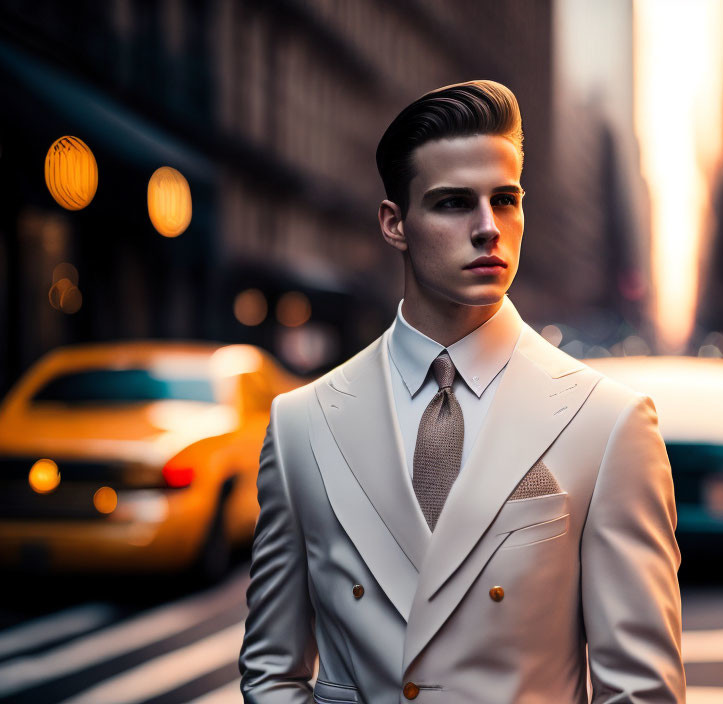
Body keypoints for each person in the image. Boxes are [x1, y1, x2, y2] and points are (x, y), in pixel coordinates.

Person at [238, 79, 685, 703]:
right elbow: (272, 671)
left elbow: (640, 691)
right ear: (395, 223)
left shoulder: (608, 424)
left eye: (505, 200)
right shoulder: (300, 425)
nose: (487, 228)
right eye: (453, 203)